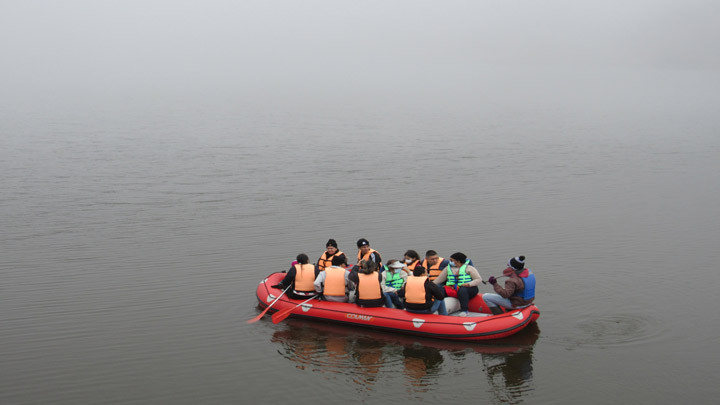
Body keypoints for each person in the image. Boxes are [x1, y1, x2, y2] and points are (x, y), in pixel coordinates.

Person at [432, 252, 483, 316]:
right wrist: (430, 284)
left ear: (458, 261)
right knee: (439, 290)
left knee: (463, 290)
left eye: (452, 260)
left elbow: (478, 279)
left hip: (468, 289)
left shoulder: (469, 268)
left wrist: (468, 284)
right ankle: (437, 309)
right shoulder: (448, 268)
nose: (450, 262)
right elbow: (439, 280)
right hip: (453, 288)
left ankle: (465, 310)